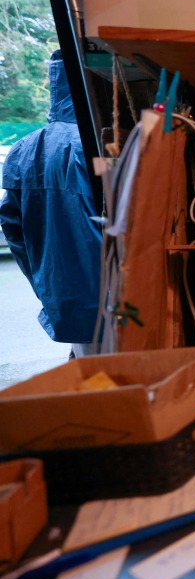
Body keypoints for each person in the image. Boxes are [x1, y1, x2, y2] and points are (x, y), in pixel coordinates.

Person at [0, 51, 102, 355]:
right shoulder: (100, 143)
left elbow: (14, 234)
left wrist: (47, 284)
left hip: (65, 296)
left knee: (91, 380)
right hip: (121, 299)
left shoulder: (23, 151)